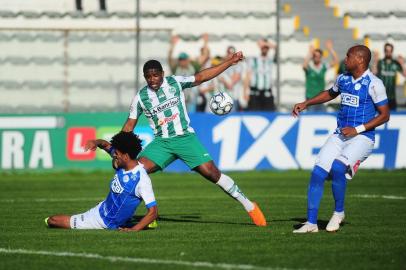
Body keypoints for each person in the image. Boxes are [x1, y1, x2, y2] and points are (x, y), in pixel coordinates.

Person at [121, 52, 267, 227]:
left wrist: (229, 62)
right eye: (148, 77)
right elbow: (129, 126)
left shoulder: (175, 83)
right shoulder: (140, 97)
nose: (152, 79)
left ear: (162, 74)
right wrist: (118, 149)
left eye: (155, 75)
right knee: (134, 171)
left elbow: (202, 77)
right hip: (162, 143)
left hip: (185, 138)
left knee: (213, 173)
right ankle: (146, 216)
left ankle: (250, 206)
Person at [292, 45, 390, 233]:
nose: (345, 59)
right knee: (318, 173)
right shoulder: (343, 78)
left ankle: (338, 213)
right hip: (340, 134)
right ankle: (311, 223)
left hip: (363, 137)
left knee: (337, 167)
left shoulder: (374, 83)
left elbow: (385, 115)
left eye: (349, 56)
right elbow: (330, 93)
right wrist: (306, 103)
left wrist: (357, 129)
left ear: (360, 60)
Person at [46, 131, 158, 231]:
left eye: (117, 153)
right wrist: (95, 142)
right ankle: (137, 223)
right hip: (101, 208)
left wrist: (134, 230)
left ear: (125, 156)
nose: (114, 155)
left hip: (103, 221)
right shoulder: (121, 162)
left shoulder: (141, 179)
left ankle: (137, 223)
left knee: (52, 220)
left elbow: (153, 212)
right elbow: (105, 144)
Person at [168, 34, 210, 113]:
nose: (182, 61)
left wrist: (205, 42)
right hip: (179, 97)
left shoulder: (193, 66)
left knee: (191, 115)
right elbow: (169, 58)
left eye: (184, 59)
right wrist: (172, 45)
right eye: (180, 59)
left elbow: (205, 56)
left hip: (192, 97)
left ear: (187, 60)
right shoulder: (176, 68)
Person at [303, 40, 339, 112]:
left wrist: (330, 49)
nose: (317, 57)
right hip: (311, 98)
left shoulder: (323, 66)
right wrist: (310, 53)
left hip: (321, 98)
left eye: (319, 56)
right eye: (315, 56)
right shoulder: (310, 67)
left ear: (321, 57)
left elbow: (336, 61)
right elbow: (304, 66)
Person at [372, 43, 406, 111]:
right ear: (384, 51)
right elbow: (373, 73)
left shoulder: (395, 63)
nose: (388, 52)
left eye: (390, 51)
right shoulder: (380, 62)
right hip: (380, 97)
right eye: (386, 50)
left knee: (393, 118)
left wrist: (402, 64)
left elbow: (405, 74)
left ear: (392, 51)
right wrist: (375, 61)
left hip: (392, 97)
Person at [246, 39, 277, 111]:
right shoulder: (254, 59)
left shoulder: (270, 59)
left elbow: (276, 48)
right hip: (255, 93)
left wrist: (266, 44)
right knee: (254, 116)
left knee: (269, 115)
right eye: (263, 47)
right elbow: (248, 75)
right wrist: (245, 92)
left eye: (266, 47)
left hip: (267, 94)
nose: (265, 49)